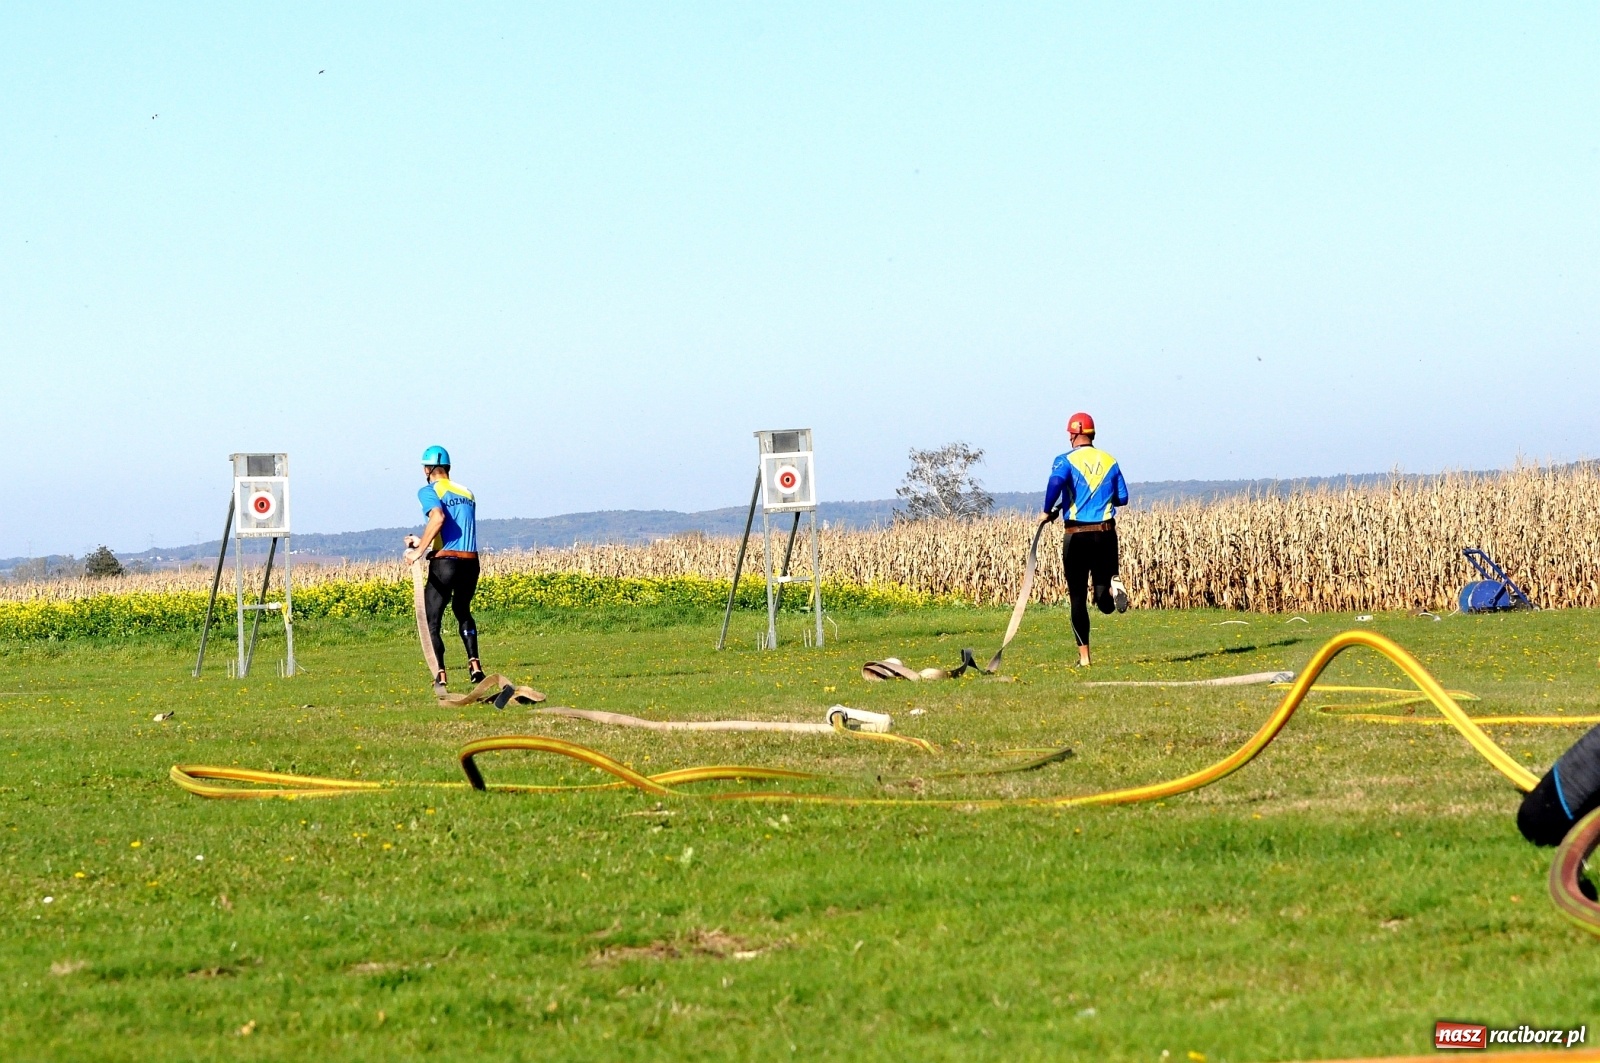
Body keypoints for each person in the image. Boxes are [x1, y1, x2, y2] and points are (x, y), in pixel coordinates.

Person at [1043, 412, 1130, 667]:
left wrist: (1047, 511)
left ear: (1072, 434)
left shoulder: (1064, 460)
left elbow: (1055, 484)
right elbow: (1122, 498)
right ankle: (1114, 589)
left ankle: (1085, 659)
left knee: (1078, 597)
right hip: (1105, 534)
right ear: (1092, 434)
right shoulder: (1110, 460)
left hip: (1077, 536)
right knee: (1104, 602)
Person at [403, 446, 484, 696]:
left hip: (445, 563)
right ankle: (475, 666)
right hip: (470, 561)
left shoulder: (428, 490)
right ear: (448, 467)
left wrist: (417, 552)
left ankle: (440, 673)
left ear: (427, 469)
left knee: (432, 620)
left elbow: (437, 519)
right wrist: (423, 542)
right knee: (463, 611)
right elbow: (454, 530)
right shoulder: (467, 492)